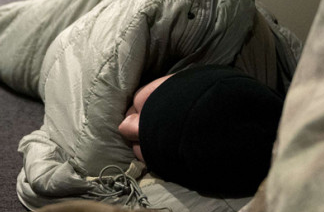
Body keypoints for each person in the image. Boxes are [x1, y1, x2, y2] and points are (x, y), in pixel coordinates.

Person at [117, 65, 285, 197]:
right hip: (217, 92)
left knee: (135, 112)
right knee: (135, 112)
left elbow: (126, 125)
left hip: (202, 110)